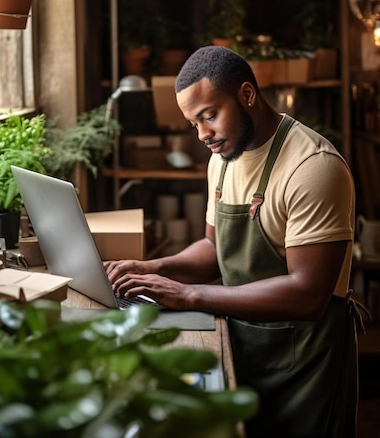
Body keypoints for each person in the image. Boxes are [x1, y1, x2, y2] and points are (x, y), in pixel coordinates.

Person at [104, 45, 361, 438]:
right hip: (243, 344)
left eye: (210, 116)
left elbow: (308, 295)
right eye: (194, 123)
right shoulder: (222, 158)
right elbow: (213, 249)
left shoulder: (314, 168)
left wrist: (188, 296)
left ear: (246, 95)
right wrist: (154, 268)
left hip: (303, 367)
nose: (203, 134)